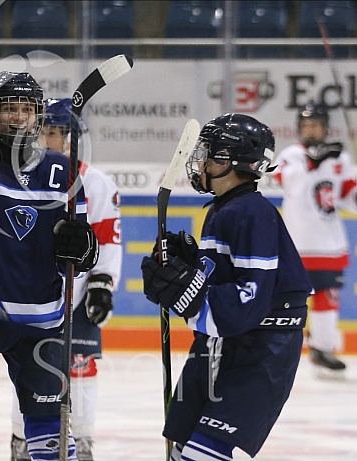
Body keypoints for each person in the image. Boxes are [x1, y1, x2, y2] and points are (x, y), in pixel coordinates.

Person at [0, 72, 99, 461]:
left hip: (42, 316)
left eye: (27, 109)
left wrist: (83, 246)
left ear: (39, 115)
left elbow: (81, 245)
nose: (19, 117)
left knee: (47, 419)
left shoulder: (63, 170)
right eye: (9, 108)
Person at [141, 114, 313, 460]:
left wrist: (189, 291)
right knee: (180, 445)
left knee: (203, 452)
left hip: (261, 352)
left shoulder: (251, 212)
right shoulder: (225, 209)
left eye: (207, 153)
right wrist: (190, 267)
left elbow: (250, 299)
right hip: (223, 345)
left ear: (227, 161)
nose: (199, 161)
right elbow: (227, 281)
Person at [9, 98, 122, 461]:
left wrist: (103, 282)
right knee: (29, 366)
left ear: (75, 137)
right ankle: (21, 438)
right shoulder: (21, 176)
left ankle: (83, 438)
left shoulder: (99, 183)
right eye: (45, 131)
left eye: (57, 132)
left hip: (77, 294)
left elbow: (108, 240)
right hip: (33, 294)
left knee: (80, 366)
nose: (50, 139)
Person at [273, 101, 357, 376]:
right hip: (297, 242)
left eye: (316, 125)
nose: (310, 131)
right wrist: (313, 160)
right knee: (287, 300)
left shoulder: (339, 158)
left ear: (325, 128)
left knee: (327, 296)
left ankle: (322, 349)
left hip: (329, 243)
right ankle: (277, 350)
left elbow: (346, 197)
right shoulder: (292, 155)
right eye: (306, 125)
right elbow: (290, 183)